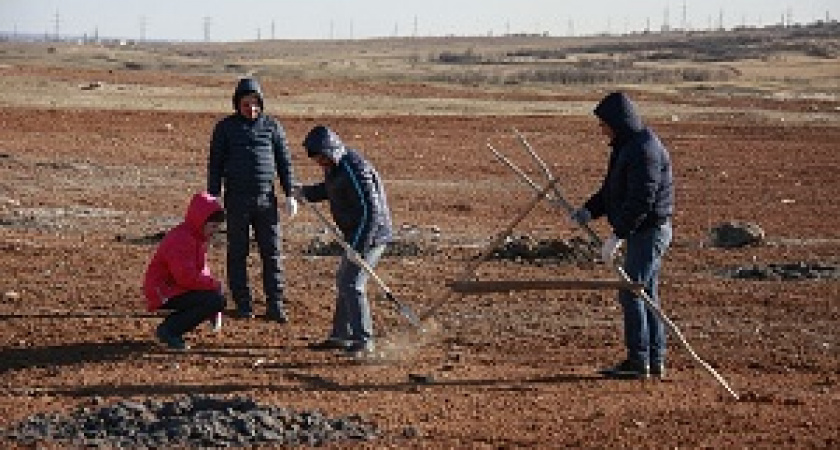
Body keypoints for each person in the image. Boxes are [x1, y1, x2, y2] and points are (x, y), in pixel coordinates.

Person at [571, 92, 674, 379]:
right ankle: (653, 360)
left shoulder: (644, 150)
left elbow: (642, 199)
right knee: (645, 293)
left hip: (649, 231)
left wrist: (618, 235)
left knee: (633, 293)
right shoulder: (626, 147)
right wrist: (589, 211)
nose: (602, 129)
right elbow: (611, 191)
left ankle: (639, 361)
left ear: (619, 122)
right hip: (642, 231)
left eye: (604, 124)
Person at [295, 125, 393, 357]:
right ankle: (341, 335)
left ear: (331, 150)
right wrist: (306, 193)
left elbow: (371, 211)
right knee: (345, 280)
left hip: (373, 235)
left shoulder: (354, 167)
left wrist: (358, 246)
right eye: (317, 159)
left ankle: (363, 342)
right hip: (356, 235)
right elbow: (332, 190)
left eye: (322, 157)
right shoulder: (334, 167)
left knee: (352, 283)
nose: (320, 162)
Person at [207, 77, 298, 323]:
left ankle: (275, 304)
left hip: (266, 200)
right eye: (246, 104)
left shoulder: (272, 127)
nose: (251, 109)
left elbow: (284, 162)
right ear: (237, 104)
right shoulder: (225, 128)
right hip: (236, 199)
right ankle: (243, 304)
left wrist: (290, 193)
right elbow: (215, 163)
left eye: (255, 104)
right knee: (238, 252)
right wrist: (213, 194)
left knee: (272, 252)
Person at [143, 192, 227, 351]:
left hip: (172, 287)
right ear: (202, 221)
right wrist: (213, 286)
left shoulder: (195, 236)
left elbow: (201, 271)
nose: (214, 231)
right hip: (163, 290)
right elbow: (185, 277)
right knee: (213, 300)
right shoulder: (182, 239)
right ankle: (170, 330)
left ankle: (171, 327)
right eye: (213, 226)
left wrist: (213, 287)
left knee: (215, 299)